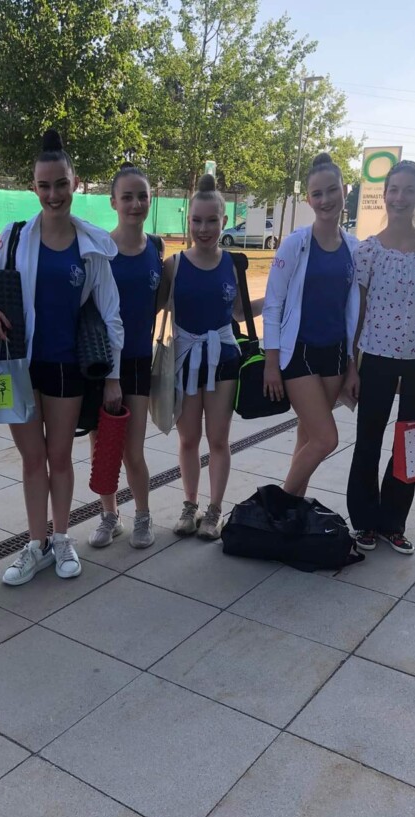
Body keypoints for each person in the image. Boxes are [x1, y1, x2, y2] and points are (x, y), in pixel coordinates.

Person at [0, 129, 123, 585]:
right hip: (16, 365)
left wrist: (113, 377)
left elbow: (111, 314)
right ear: (34, 187)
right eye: (44, 186)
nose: (53, 194)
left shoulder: (91, 245)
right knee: (32, 459)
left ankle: (61, 538)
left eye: (61, 184)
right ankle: (35, 543)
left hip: (66, 366)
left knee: (59, 457)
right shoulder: (15, 236)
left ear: (75, 182)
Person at [347, 160, 415, 554]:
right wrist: (351, 367)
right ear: (385, 194)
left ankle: (393, 522)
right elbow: (357, 315)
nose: (400, 197)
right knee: (368, 439)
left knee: (411, 443)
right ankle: (364, 521)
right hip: (377, 357)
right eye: (394, 189)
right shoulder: (368, 251)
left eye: (409, 190)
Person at [156, 173, 260, 541]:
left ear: (224, 221)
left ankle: (214, 509)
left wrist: (278, 303)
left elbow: (238, 312)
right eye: (197, 221)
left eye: (211, 220)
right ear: (188, 220)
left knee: (218, 439)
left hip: (224, 359)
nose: (204, 229)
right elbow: (152, 307)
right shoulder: (173, 265)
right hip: (185, 360)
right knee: (188, 440)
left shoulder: (232, 264)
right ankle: (190, 505)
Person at [263, 152, 360, 497]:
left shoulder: (354, 248)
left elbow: (354, 312)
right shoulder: (295, 244)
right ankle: (278, 508)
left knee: (307, 437)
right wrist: (271, 363)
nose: (325, 199)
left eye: (332, 190)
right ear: (308, 199)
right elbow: (273, 304)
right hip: (299, 354)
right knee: (325, 438)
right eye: (317, 194)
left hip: (334, 356)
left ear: (345, 191)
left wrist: (352, 366)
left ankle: (294, 512)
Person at [88, 164, 163, 551]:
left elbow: (158, 301)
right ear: (113, 201)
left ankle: (143, 515)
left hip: (137, 362)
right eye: (127, 196)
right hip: (102, 363)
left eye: (142, 196)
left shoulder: (157, 248)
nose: (135, 204)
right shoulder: (100, 249)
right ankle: (109, 515)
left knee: (134, 450)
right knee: (103, 447)